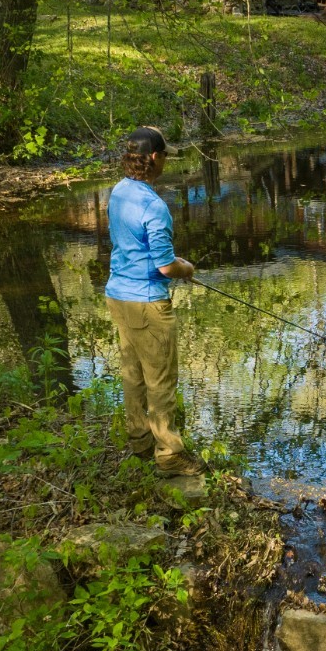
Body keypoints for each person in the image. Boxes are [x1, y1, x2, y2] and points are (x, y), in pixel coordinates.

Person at [104, 126, 202, 477]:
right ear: (156, 158)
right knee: (160, 380)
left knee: (133, 374)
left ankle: (140, 442)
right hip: (147, 303)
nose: (165, 162)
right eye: (165, 157)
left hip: (118, 296)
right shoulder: (154, 206)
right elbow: (165, 265)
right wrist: (186, 268)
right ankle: (169, 455)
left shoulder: (119, 191)